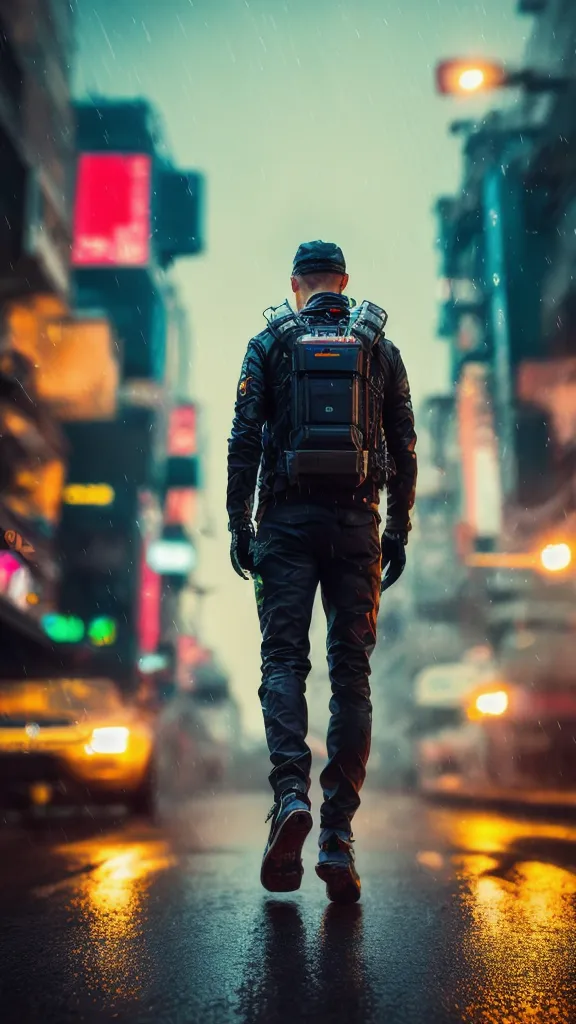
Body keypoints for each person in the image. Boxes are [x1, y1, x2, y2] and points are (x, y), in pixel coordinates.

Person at [227, 240, 417, 904]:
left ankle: (288, 799)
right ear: (344, 282)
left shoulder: (270, 342)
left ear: (296, 284)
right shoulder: (378, 347)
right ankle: (337, 834)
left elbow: (243, 439)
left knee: (283, 661)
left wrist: (238, 524)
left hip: (284, 525)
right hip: (356, 527)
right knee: (350, 677)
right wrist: (396, 529)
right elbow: (404, 445)